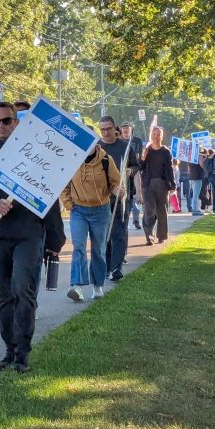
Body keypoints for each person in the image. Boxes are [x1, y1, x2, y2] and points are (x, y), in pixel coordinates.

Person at [0, 102, 47, 373]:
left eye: (7, 121)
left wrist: (55, 239)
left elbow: (50, 196)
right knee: (4, 294)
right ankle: (10, 349)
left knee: (23, 290)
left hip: (28, 233)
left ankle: (23, 351)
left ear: (17, 122)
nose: (1, 126)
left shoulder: (36, 155)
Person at [61, 141, 121, 302]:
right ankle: (76, 286)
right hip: (78, 211)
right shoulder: (71, 159)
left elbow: (116, 182)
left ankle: (97, 285)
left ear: (95, 145)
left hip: (101, 210)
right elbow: (64, 184)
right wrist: (68, 203)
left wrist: (118, 190)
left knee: (98, 249)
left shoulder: (106, 160)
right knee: (78, 246)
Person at [98, 116, 136, 282]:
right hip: (102, 197)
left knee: (119, 232)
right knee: (104, 233)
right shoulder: (98, 148)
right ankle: (106, 266)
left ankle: (116, 268)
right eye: (103, 129)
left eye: (108, 129)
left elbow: (135, 165)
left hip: (121, 196)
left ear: (115, 128)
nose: (106, 132)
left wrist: (129, 171)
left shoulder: (125, 147)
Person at [141, 126, 176, 244]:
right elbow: (140, 167)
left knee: (161, 210)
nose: (156, 136)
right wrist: (142, 158)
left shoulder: (166, 151)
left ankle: (162, 235)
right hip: (148, 184)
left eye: (158, 134)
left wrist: (173, 186)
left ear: (161, 136)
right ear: (151, 135)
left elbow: (170, 169)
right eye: (154, 134)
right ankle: (149, 235)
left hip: (162, 183)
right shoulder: (147, 150)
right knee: (149, 210)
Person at [120, 122, 145, 229]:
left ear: (131, 130)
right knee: (124, 196)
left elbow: (140, 155)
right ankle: (123, 219)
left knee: (135, 196)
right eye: (124, 131)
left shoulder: (137, 141)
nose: (125, 133)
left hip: (135, 169)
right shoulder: (119, 141)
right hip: (122, 172)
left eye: (127, 131)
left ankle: (136, 219)